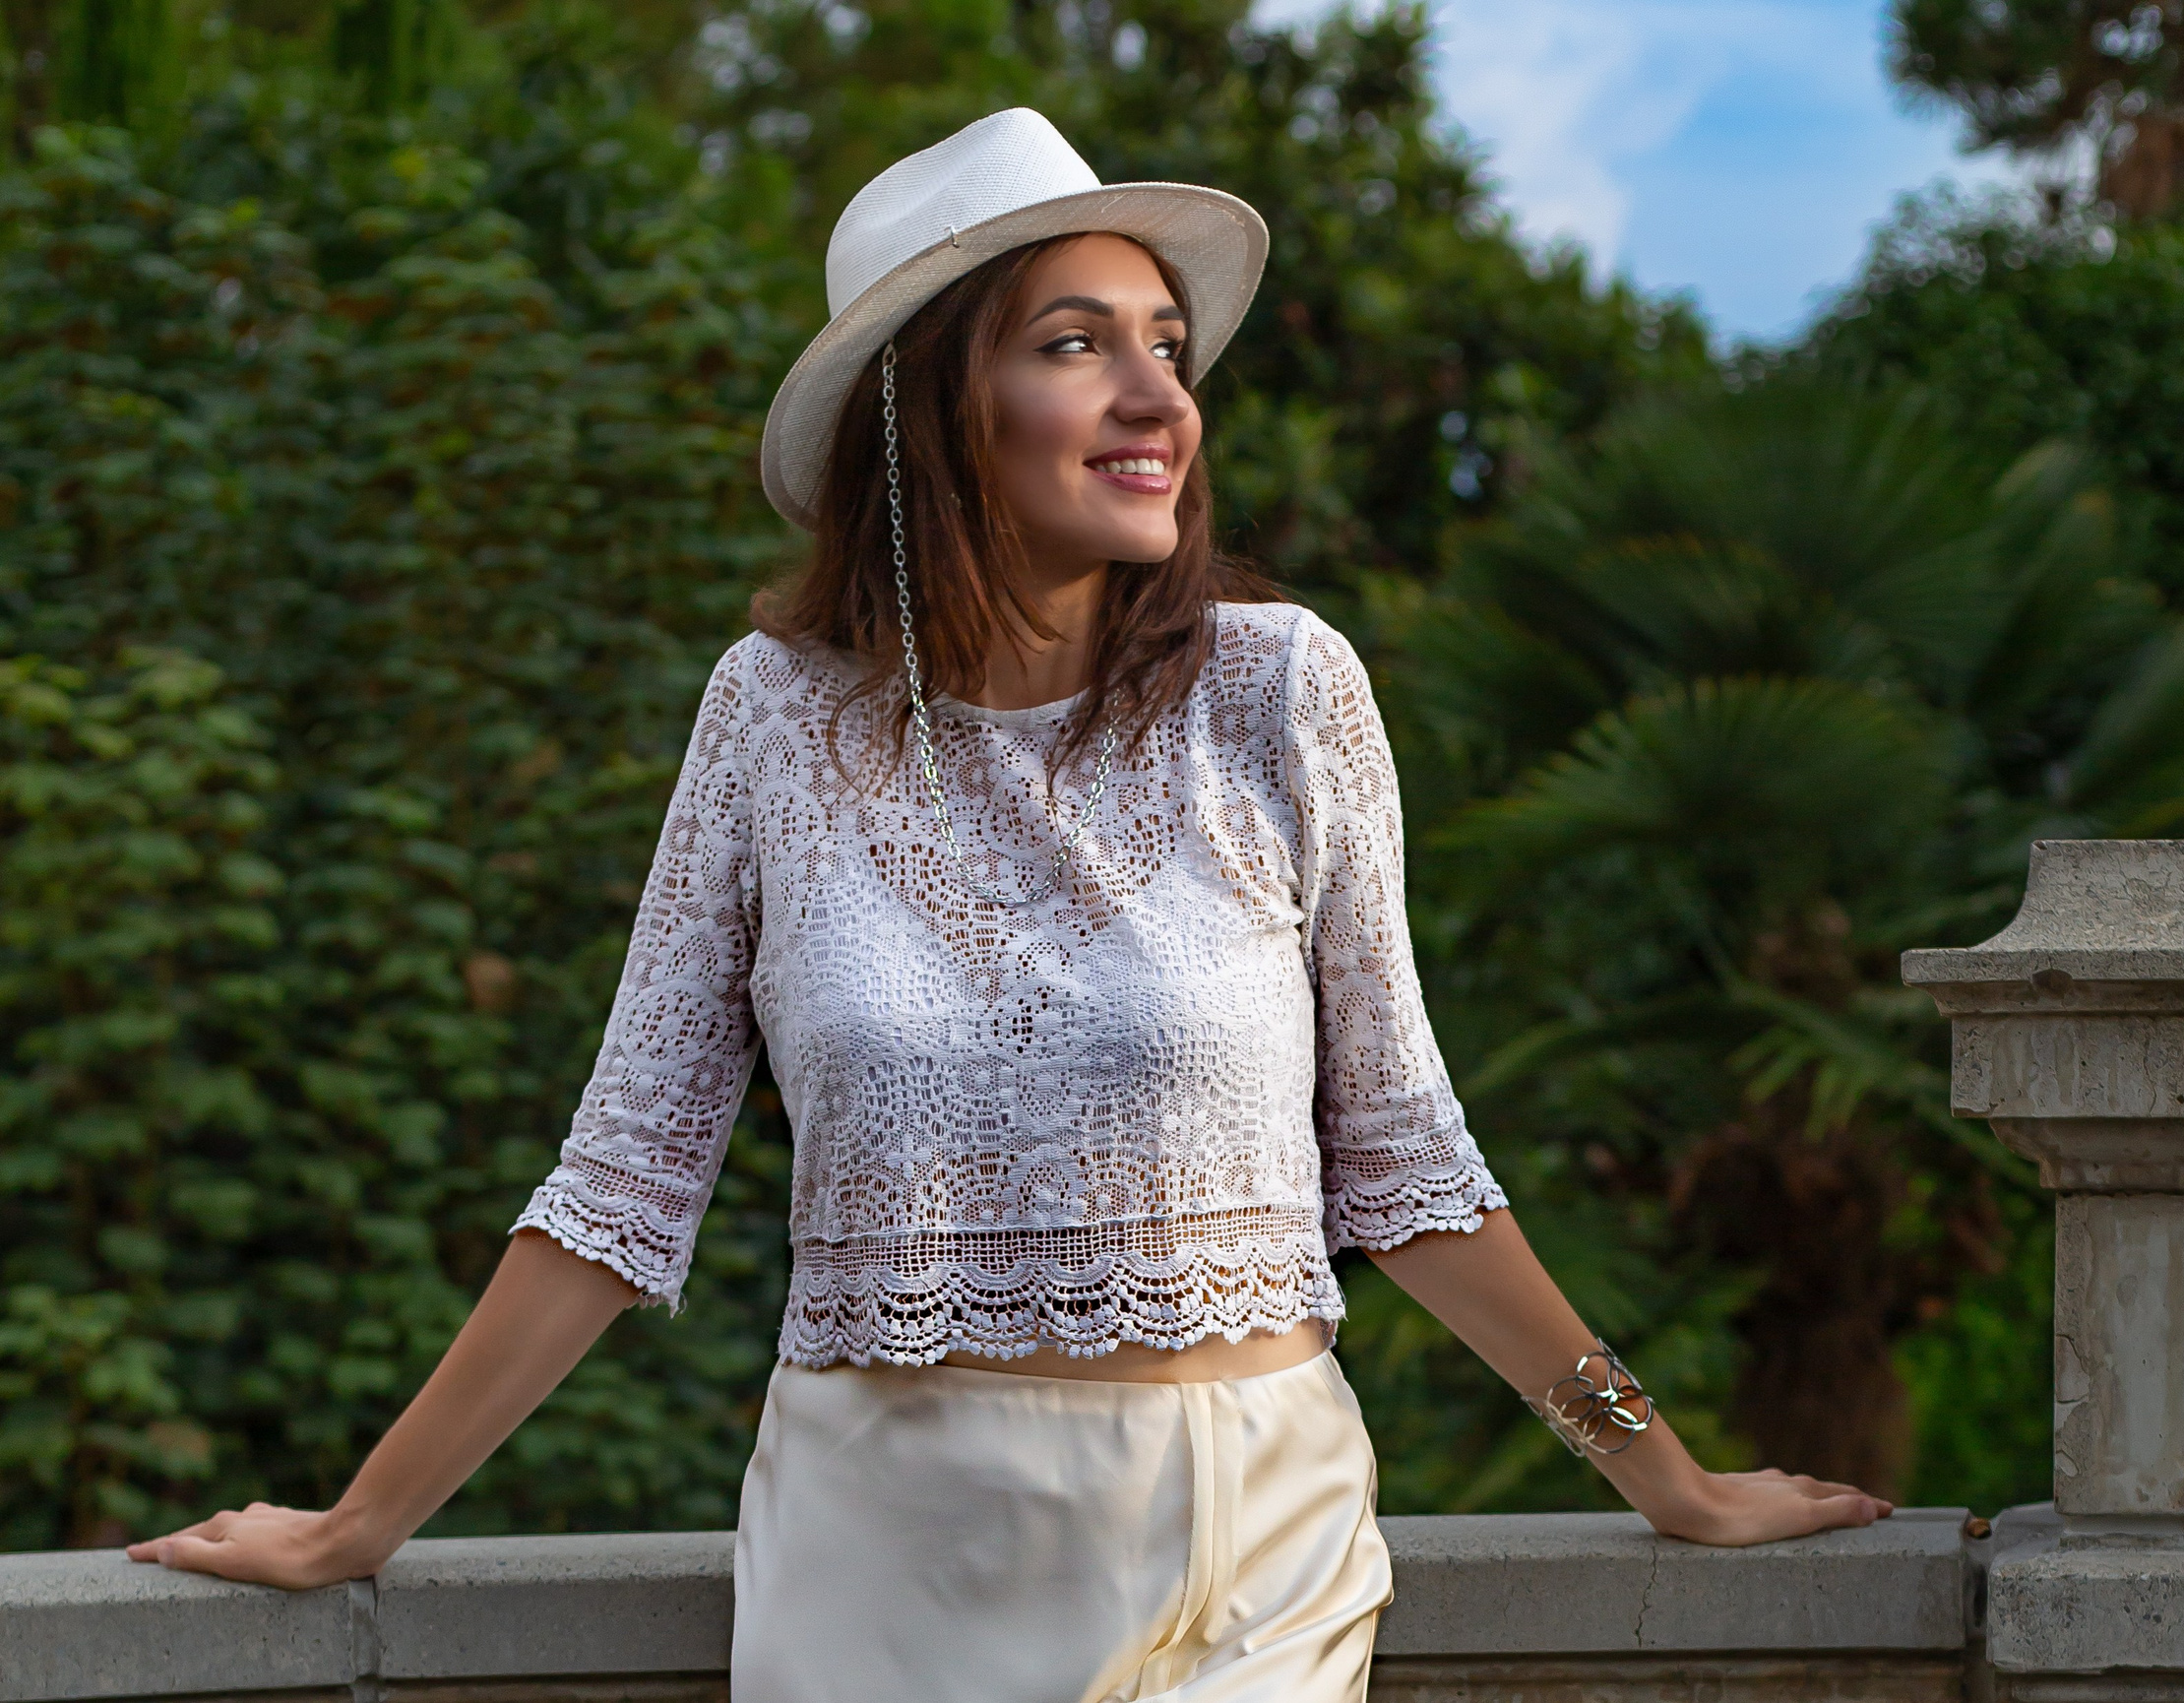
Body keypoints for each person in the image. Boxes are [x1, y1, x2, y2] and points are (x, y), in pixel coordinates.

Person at [128, 108, 1893, 1701]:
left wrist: (1664, 1469)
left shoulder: (1283, 693)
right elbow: (621, 1180)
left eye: (1169, 348)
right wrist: (358, 1523)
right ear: (932, 412)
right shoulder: (771, 718)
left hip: (1249, 1552)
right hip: (886, 1554)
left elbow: (1407, 1158)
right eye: (1077, 346)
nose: (1160, 401)